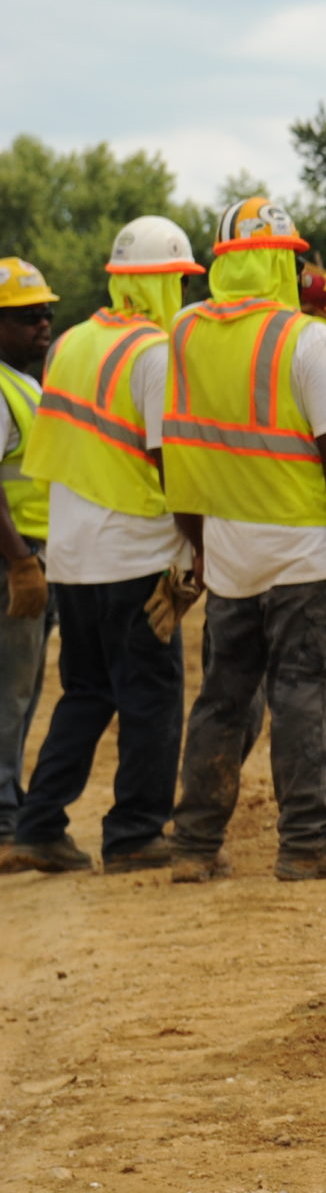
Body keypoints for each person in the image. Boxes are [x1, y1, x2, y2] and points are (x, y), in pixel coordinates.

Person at [162, 197, 326, 884]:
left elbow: (180, 447)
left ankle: (195, 843)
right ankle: (311, 838)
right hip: (303, 551)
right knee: (305, 690)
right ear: (281, 260)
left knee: (223, 696)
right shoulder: (307, 338)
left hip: (228, 547)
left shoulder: (184, 330)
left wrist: (198, 545)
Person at [0, 221, 203, 874]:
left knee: (86, 691)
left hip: (71, 555)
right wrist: (201, 545)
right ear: (162, 280)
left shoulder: (70, 345)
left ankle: (37, 827)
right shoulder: (155, 353)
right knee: (151, 692)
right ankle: (137, 832)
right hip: (137, 553)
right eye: (180, 278)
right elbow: (167, 459)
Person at [0, 257, 59, 831]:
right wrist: (20, 560)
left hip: (32, 552)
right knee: (10, 691)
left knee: (23, 689)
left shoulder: (25, 384)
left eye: (45, 312)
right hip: (12, 556)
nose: (42, 324)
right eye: (26, 316)